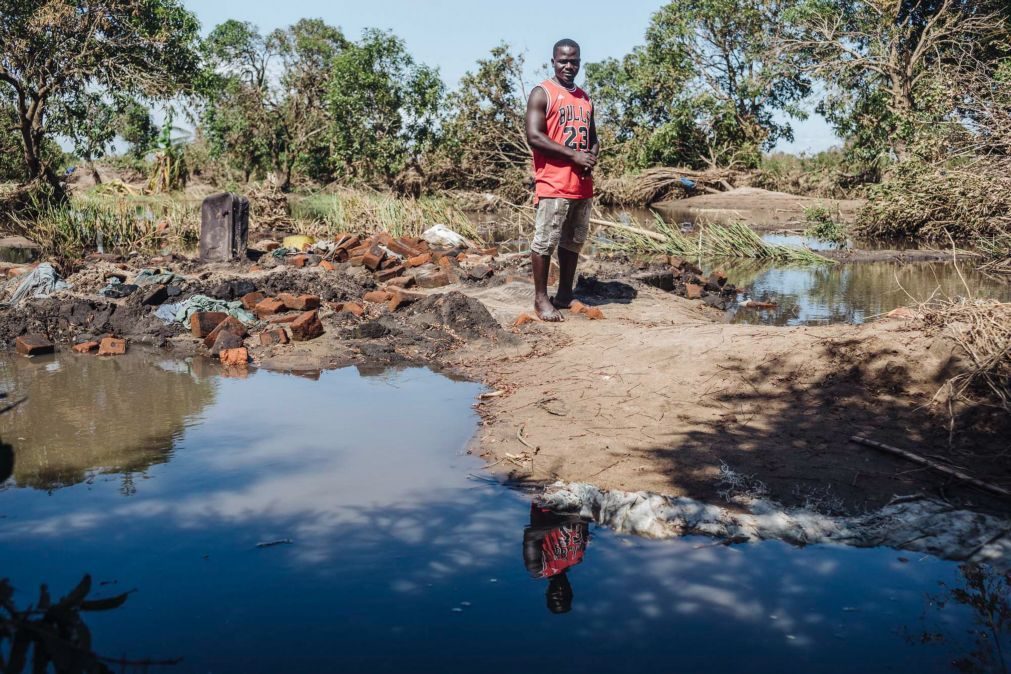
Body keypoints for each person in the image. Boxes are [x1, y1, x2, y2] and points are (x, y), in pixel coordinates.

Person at [525, 39, 599, 322]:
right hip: (553, 182)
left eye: (574, 61)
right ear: (553, 61)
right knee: (545, 241)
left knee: (573, 240)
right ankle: (541, 299)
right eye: (563, 61)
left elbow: (593, 139)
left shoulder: (584, 98)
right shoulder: (542, 93)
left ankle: (566, 293)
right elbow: (534, 136)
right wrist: (573, 156)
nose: (569, 66)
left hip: (581, 185)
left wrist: (590, 157)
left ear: (579, 62)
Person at [522, 502, 590, 614]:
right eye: (565, 594)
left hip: (548, 502)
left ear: (548, 591)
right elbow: (584, 524)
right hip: (575, 502)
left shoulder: (538, 568)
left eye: (556, 595)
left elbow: (530, 534)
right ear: (570, 590)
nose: (560, 589)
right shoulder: (578, 557)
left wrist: (564, 523)